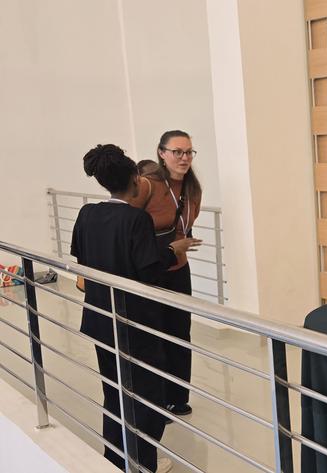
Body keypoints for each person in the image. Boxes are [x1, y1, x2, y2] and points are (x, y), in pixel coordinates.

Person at [71, 144, 200, 473]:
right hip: (135, 323)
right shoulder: (136, 218)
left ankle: (115, 459)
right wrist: (173, 249)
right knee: (146, 398)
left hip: (100, 317)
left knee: (114, 393)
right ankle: (142, 462)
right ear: (134, 180)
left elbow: (84, 260)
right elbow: (149, 272)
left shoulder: (88, 214)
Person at [130, 130, 203, 418]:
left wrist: (181, 243)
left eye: (189, 152)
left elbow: (186, 222)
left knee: (179, 334)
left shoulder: (193, 188)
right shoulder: (148, 185)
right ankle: (156, 397)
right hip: (151, 271)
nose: (184, 158)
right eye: (177, 152)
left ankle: (177, 396)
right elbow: (129, 223)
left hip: (178, 270)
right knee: (154, 336)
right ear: (162, 153)